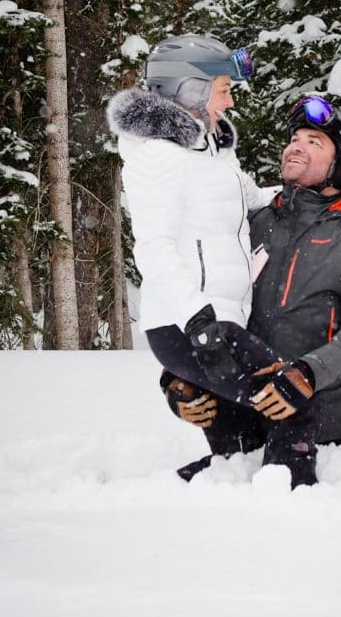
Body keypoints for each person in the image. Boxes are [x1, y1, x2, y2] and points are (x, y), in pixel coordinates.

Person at [107, 35, 319, 486]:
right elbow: (154, 245)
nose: (231, 98)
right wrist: (200, 325)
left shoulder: (212, 151)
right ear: (191, 90)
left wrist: (309, 194)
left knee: (249, 431)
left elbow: (253, 199)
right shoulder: (158, 157)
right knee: (290, 393)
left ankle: (216, 488)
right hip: (191, 324)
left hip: (221, 321)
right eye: (224, 87)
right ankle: (295, 498)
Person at [163, 95, 341, 483]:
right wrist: (177, 377)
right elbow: (209, 302)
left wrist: (309, 372)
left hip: (331, 439)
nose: (296, 146)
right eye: (295, 138)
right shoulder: (251, 222)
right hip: (243, 440)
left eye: (314, 141)